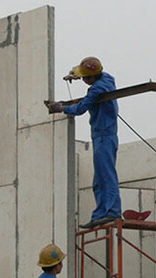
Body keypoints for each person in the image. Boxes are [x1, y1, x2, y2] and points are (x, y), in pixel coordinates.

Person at [45, 56, 122, 229]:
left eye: (85, 78)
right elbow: (94, 71)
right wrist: (76, 74)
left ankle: (113, 211)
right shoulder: (106, 78)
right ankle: (101, 213)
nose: (84, 80)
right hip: (101, 136)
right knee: (99, 178)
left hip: (105, 136)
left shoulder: (97, 89)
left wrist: (61, 108)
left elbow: (80, 109)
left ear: (92, 78)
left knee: (107, 175)